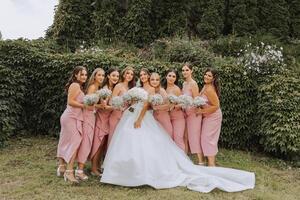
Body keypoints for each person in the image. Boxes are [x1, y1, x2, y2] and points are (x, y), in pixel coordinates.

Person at [100, 69, 255, 193]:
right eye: (147, 77)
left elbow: (149, 105)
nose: (150, 80)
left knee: (145, 143)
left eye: (153, 78)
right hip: (133, 114)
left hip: (142, 117)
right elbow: (137, 102)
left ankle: (141, 172)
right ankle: (124, 171)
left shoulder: (157, 91)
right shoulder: (138, 88)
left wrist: (140, 118)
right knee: (129, 142)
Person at [56, 66, 91, 184]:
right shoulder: (75, 85)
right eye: (82, 74)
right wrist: (84, 106)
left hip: (73, 117)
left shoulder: (79, 86)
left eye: (86, 75)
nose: (84, 77)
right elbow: (70, 102)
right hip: (71, 117)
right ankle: (69, 172)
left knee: (66, 140)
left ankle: (61, 166)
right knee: (75, 143)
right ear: (76, 75)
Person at [196, 68, 222, 167]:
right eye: (206, 74)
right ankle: (210, 162)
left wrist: (201, 111)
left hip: (213, 116)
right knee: (205, 139)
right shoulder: (205, 86)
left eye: (209, 76)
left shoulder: (210, 89)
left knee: (208, 139)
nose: (206, 77)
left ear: (213, 78)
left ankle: (211, 164)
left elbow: (216, 106)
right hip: (207, 116)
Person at [181, 63, 204, 165]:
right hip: (185, 114)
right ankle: (185, 159)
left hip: (194, 114)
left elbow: (196, 100)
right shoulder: (184, 84)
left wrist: (195, 112)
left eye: (186, 70)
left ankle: (200, 162)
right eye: (183, 70)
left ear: (191, 71)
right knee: (185, 136)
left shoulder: (193, 84)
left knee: (194, 137)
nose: (185, 72)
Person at [163, 69, 186, 151]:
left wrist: (175, 106)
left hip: (177, 118)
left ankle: (182, 160)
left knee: (178, 138)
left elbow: (183, 103)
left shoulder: (177, 89)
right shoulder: (163, 89)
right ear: (166, 76)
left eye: (173, 76)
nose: (171, 78)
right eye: (169, 76)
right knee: (168, 138)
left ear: (176, 79)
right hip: (166, 118)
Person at [149, 72, 173, 137]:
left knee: (168, 137)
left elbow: (169, 105)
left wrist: (157, 107)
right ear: (149, 80)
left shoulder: (161, 90)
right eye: (152, 79)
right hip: (154, 118)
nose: (155, 81)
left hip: (164, 117)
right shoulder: (150, 91)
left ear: (159, 81)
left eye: (157, 80)